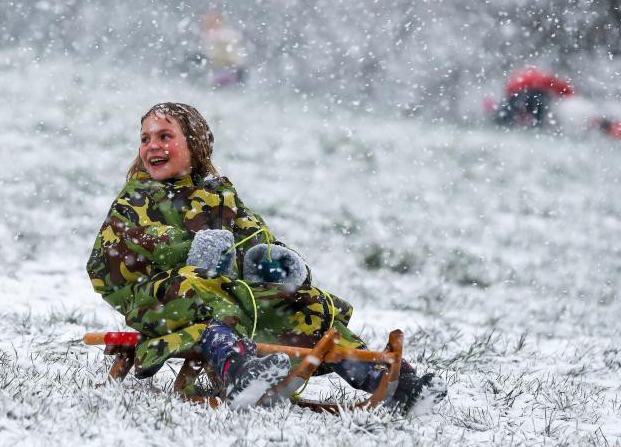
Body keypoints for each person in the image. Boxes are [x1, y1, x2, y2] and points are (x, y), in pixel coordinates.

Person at [86, 102, 446, 412]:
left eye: (165, 136)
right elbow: (126, 243)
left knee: (302, 303)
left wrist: (275, 263)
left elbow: (254, 236)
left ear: (194, 145)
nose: (153, 146)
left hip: (221, 292)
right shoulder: (136, 198)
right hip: (157, 299)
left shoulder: (218, 195)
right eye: (146, 138)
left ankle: (385, 380)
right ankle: (238, 370)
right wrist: (188, 250)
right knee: (198, 286)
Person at [495, 66, 574, 128]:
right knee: (538, 109)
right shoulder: (544, 78)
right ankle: (537, 124)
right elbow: (560, 87)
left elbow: (509, 90)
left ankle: (503, 122)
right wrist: (570, 94)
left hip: (519, 95)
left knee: (510, 111)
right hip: (532, 96)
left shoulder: (520, 77)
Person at [200, 10, 245, 87]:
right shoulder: (211, 36)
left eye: (211, 21)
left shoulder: (224, 35)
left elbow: (232, 57)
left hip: (230, 71)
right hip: (223, 71)